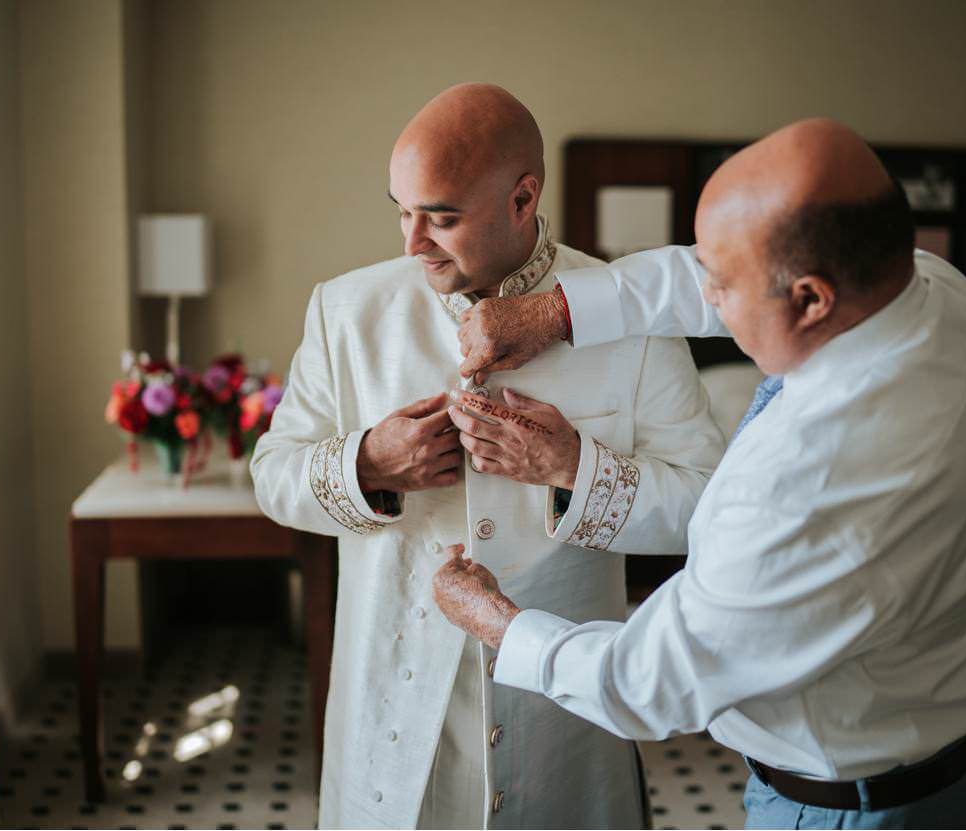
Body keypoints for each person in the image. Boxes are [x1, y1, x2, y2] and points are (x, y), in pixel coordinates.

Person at [431, 117, 966, 828]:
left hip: (849, 809)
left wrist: (500, 624)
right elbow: (696, 274)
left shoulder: (811, 485)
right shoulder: (931, 287)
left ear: (810, 298)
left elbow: (649, 683)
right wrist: (558, 310)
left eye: (721, 282)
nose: (704, 297)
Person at [251, 82, 724, 828]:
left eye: (440, 217)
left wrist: (573, 466)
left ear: (523, 197)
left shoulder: (631, 320)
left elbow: (706, 506)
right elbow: (272, 477)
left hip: (562, 725)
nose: (411, 243)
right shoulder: (345, 313)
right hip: (394, 724)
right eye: (401, 211)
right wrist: (366, 465)